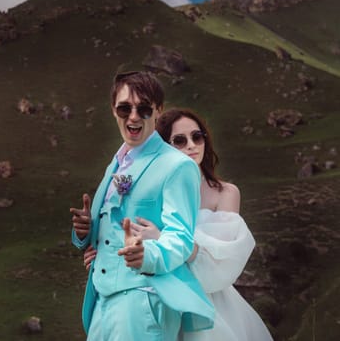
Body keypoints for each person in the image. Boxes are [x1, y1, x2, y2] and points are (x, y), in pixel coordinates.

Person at [84, 108, 273, 340]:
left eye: (197, 136)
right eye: (179, 141)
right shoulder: (151, 188)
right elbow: (127, 238)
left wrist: (162, 238)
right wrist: (103, 254)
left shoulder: (225, 193)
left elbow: (223, 259)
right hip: (155, 296)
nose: (192, 145)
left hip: (208, 301)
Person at [70, 72, 214, 340]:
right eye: (125, 108)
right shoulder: (116, 164)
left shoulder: (177, 166)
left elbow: (180, 238)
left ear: (157, 112)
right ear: (114, 111)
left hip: (144, 299)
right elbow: (111, 230)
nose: (133, 116)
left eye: (144, 108)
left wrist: (147, 255)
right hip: (102, 298)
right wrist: (85, 232)